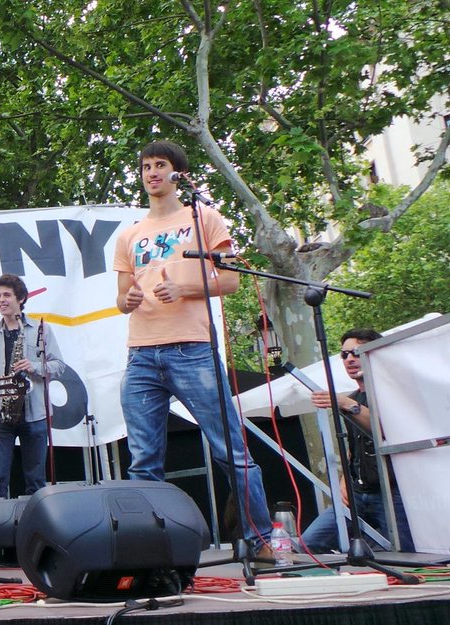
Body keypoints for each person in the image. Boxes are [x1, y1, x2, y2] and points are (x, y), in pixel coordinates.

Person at [113, 140, 273, 555]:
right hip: (142, 353)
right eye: (146, 166)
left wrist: (185, 287)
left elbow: (233, 280)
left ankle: (260, 542)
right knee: (143, 460)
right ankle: (152, 549)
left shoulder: (204, 217)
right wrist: (126, 300)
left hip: (192, 349)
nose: (151, 172)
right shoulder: (129, 234)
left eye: (160, 165)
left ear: (177, 173)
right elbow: (120, 297)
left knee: (230, 450)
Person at [301, 328, 413, 552]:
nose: (350, 359)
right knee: (309, 544)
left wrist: (347, 405)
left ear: (375, 353)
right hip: (358, 493)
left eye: (357, 352)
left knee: (408, 555)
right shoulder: (351, 398)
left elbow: (386, 432)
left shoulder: (395, 392)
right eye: (344, 355)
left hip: (393, 493)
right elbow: (355, 446)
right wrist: (345, 479)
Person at [0, 274, 66, 499]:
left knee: (36, 483)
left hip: (34, 413)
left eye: (6, 295)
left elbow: (59, 366)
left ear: (20, 298)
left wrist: (35, 367)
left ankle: (37, 530)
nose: (1, 300)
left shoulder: (41, 329)